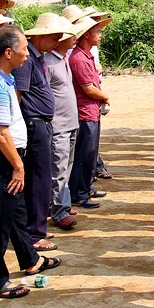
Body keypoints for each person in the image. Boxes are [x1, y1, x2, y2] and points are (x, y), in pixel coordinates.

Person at [0, 27, 60, 299]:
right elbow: (1, 133)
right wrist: (18, 167)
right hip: (0, 162)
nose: (26, 55)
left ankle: (29, 259)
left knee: (15, 215)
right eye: (23, 49)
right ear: (8, 52)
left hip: (2, 159)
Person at [13, 14, 61, 251]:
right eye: (54, 37)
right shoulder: (27, 60)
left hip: (40, 123)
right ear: (40, 37)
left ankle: (37, 227)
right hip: (33, 124)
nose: (58, 41)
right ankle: (34, 233)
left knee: (41, 177)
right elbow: (18, 96)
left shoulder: (37, 57)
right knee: (37, 179)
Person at [68, 17, 109, 210]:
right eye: (97, 32)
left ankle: (86, 187)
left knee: (90, 153)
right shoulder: (78, 58)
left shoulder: (86, 55)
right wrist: (106, 97)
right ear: (86, 35)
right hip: (85, 113)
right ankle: (79, 193)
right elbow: (88, 88)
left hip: (91, 111)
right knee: (84, 154)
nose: (100, 35)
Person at [44, 17, 80, 231]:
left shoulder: (63, 58)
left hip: (70, 122)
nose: (74, 37)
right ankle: (59, 210)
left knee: (66, 166)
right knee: (58, 167)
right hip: (58, 124)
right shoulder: (48, 63)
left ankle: (61, 203)